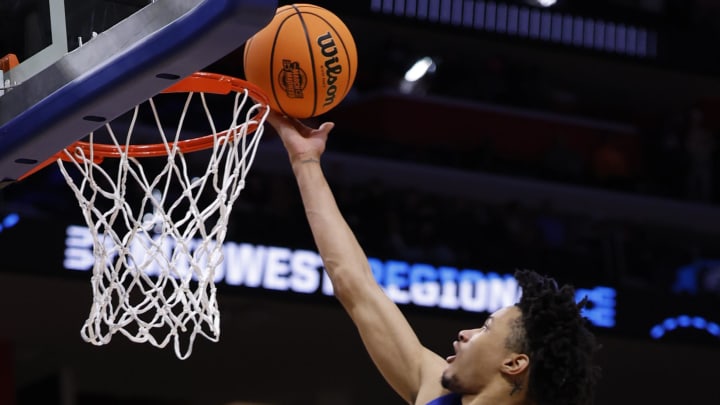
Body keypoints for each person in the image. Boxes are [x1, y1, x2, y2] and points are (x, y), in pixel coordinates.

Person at [267, 111, 601, 405]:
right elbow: (354, 285)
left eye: (485, 328)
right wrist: (306, 162)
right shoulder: (437, 393)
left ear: (514, 363)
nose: (464, 334)